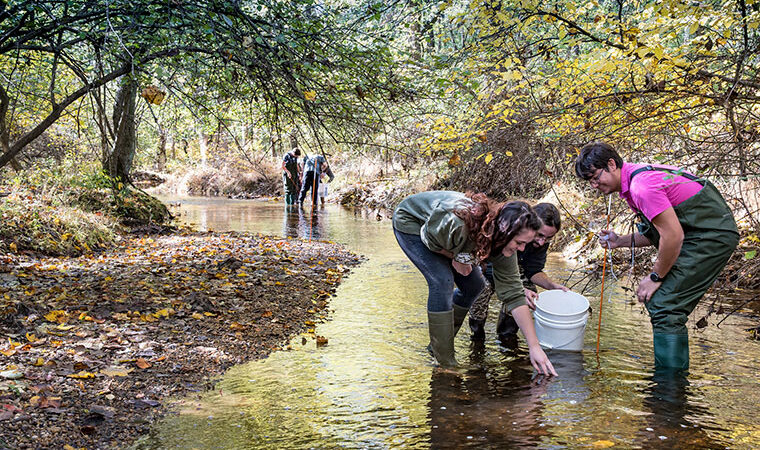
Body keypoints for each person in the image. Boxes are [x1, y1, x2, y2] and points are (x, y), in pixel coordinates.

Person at [575, 142, 738, 371]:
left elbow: (673, 236)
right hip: (701, 234)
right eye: (589, 181)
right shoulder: (636, 180)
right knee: (664, 304)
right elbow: (659, 234)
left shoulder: (642, 187)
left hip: (711, 237)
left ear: (611, 164)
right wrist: (620, 241)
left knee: (665, 305)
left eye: (595, 177)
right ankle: (670, 383)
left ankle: (669, 388)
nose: (594, 185)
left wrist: (654, 277)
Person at [392, 190, 557, 375]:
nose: (522, 249)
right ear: (505, 232)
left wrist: (534, 347)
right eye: (519, 242)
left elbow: (514, 294)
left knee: (475, 286)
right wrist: (455, 257)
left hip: (448, 239)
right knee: (442, 282)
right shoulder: (457, 222)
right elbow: (429, 239)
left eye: (526, 243)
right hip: (414, 224)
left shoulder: (505, 245)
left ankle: (435, 347)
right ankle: (445, 362)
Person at [468, 203, 569, 343]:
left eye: (547, 238)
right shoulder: (508, 234)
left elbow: (533, 271)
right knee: (481, 290)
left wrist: (551, 286)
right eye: (539, 235)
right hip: (489, 271)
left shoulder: (541, 242)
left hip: (515, 275)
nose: (541, 242)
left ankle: (506, 336)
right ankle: (477, 336)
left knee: (530, 294)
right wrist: (520, 290)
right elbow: (494, 270)